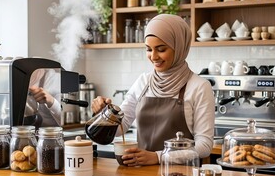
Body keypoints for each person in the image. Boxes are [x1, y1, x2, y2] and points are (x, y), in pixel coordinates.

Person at [91, 14, 215, 166]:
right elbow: (119, 129)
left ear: (179, 47)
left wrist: (158, 157)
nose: (153, 56)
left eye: (161, 49)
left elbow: (204, 146)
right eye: (148, 49)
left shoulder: (199, 86)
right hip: (142, 175)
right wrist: (104, 114)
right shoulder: (143, 81)